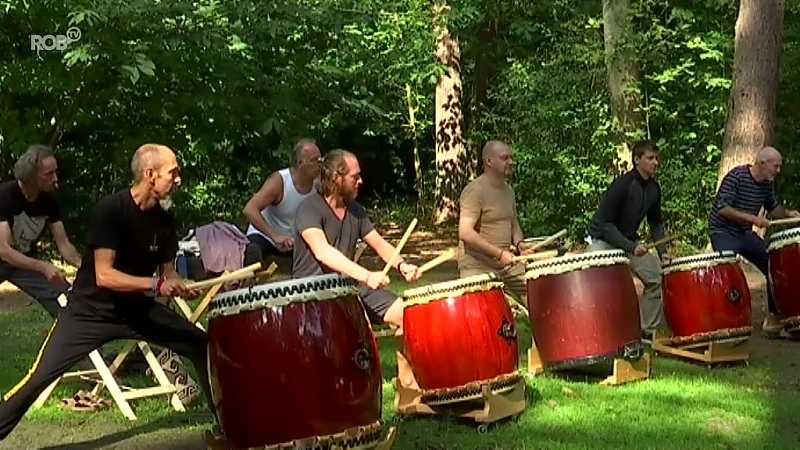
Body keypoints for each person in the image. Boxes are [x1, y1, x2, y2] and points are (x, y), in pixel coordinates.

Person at [0, 144, 218, 440]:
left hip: (136, 311)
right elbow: (104, 276)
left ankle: (227, 425)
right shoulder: (111, 211)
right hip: (88, 313)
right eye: (173, 172)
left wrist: (179, 285)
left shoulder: (164, 217)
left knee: (201, 345)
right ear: (150, 174)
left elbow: (168, 272)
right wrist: (156, 285)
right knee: (37, 379)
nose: (178, 179)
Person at [292, 149, 421, 389]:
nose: (360, 181)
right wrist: (366, 275)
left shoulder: (355, 210)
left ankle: (406, 384)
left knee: (407, 315)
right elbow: (323, 251)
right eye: (355, 176)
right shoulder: (308, 209)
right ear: (336, 178)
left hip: (348, 286)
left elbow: (380, 243)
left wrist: (402, 265)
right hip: (313, 293)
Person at [709, 146, 800, 337]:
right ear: (762, 163)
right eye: (776, 166)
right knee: (728, 274)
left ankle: (774, 318)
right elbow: (723, 209)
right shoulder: (737, 177)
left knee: (774, 266)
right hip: (723, 232)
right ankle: (726, 321)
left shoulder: (766, 183)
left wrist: (787, 214)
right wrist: (753, 219)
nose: (778, 171)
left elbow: (773, 208)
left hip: (744, 234)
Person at [586, 140, 670, 342]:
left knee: (655, 279)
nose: (655, 163)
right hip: (603, 240)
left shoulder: (654, 189)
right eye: (650, 158)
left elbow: (656, 223)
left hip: (629, 242)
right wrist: (630, 246)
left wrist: (662, 251)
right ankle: (593, 328)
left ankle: (646, 331)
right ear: (637, 160)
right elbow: (605, 225)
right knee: (592, 281)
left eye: (656, 158)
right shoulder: (622, 185)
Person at [0, 144, 81, 319]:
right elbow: (4, 250)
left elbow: (64, 243)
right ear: (31, 176)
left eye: (55, 172)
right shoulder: (5, 197)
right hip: (6, 257)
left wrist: (83, 266)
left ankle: (81, 343)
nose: (55, 179)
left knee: (65, 295)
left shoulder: (50, 201)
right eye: (48, 174)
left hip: (22, 263)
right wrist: (43, 266)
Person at [457, 140, 534, 309]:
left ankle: (542, 335)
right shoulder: (474, 191)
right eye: (505, 158)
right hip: (476, 266)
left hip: (507, 265)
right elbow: (465, 233)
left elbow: (514, 224)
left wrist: (520, 245)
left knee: (539, 301)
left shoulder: (508, 191)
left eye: (511, 158)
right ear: (489, 161)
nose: (511, 162)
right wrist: (499, 254)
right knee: (482, 317)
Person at [242, 139, 321, 270]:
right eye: (314, 160)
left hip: (293, 241)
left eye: (320, 160)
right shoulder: (280, 181)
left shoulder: (318, 185)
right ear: (300, 163)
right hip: (266, 236)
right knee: (253, 250)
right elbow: (249, 209)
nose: (319, 164)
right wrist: (275, 236)